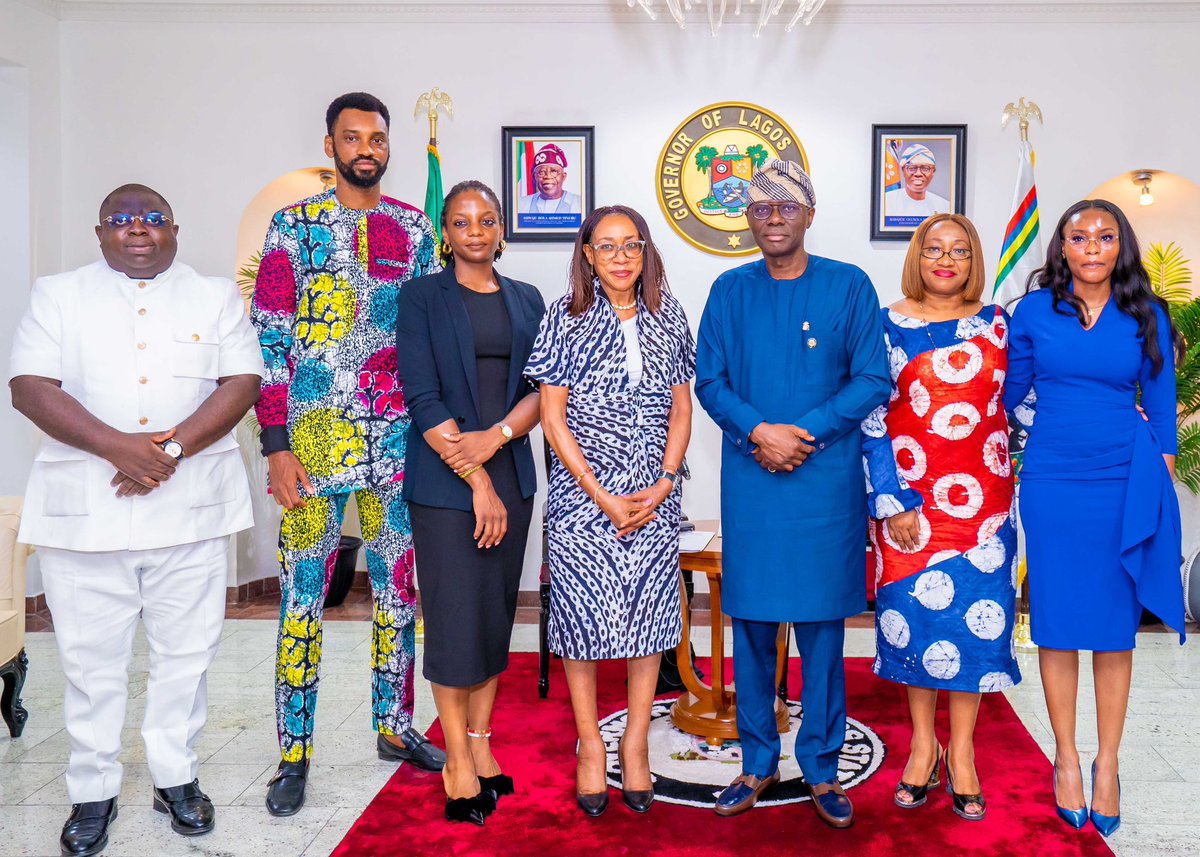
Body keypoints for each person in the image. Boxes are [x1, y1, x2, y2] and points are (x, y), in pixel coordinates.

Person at [8, 184, 264, 856]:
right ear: (100, 234)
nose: (138, 230)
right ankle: (92, 790)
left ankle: (176, 777)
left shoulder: (214, 296)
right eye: (122, 220)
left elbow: (241, 382)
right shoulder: (58, 294)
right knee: (92, 664)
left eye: (152, 218)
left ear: (175, 229)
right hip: (86, 515)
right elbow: (29, 386)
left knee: (187, 655)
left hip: (192, 513)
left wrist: (168, 450)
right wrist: (118, 447)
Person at [250, 91, 446, 817]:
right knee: (303, 596)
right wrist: (275, 446)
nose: (367, 147)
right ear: (329, 143)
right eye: (352, 136)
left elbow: (429, 337)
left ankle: (394, 727)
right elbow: (269, 340)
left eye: (377, 137)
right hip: (312, 441)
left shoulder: (414, 227)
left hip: (396, 443)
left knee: (399, 592)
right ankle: (293, 751)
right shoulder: (292, 227)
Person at [695, 159, 890, 829]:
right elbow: (711, 383)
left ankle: (823, 767)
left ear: (809, 213)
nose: (773, 217)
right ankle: (755, 761)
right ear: (746, 218)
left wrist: (802, 431)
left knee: (822, 634)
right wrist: (759, 432)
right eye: (760, 207)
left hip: (824, 480)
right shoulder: (728, 290)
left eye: (787, 206)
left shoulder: (849, 285)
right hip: (753, 480)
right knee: (749, 623)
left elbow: (871, 379)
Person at [1004, 199, 1185, 837]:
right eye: (1078, 237)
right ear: (1061, 247)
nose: (1092, 247)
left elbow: (1163, 417)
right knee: (1057, 622)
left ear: (1120, 246)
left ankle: (1108, 763)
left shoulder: (1148, 315)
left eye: (1105, 237)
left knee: (1113, 628)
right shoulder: (1031, 312)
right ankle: (1067, 759)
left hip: (1122, 476)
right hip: (1053, 478)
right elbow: (1009, 394)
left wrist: (1155, 485)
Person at [526, 205, 694, 817]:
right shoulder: (563, 316)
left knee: (649, 621)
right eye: (608, 245)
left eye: (632, 244)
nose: (621, 256)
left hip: (655, 494)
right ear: (588, 255)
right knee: (580, 624)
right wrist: (601, 494)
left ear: (646, 252)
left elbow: (682, 410)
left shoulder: (669, 314)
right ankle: (591, 745)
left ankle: (637, 743)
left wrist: (664, 483)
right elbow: (552, 417)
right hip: (582, 497)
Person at [395, 180, 546, 825]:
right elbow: (423, 396)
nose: (475, 231)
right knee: (455, 622)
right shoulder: (422, 297)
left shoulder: (528, 299)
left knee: (492, 618)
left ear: (500, 228)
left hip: (511, 474)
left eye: (486, 220)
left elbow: (546, 388)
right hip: (443, 485)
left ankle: (482, 748)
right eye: (461, 222)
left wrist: (499, 441)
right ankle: (455, 756)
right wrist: (476, 477)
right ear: (445, 232)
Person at [862, 213, 1021, 823]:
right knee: (918, 629)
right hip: (909, 508)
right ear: (918, 256)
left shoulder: (1000, 325)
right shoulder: (884, 325)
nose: (946, 260)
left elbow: (1023, 403)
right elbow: (872, 419)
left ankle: (963, 755)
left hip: (985, 509)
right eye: (934, 249)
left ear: (973, 258)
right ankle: (923, 746)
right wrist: (893, 500)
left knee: (973, 631)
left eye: (959, 250)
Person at [884, 144, 951, 220]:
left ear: (933, 172)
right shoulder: (885, 203)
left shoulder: (945, 207)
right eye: (912, 168)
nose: (918, 173)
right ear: (903, 170)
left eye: (925, 168)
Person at [517, 144, 582, 215]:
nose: (548, 176)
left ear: (563, 176)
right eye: (541, 172)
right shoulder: (520, 205)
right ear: (534, 177)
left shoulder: (580, 204)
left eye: (554, 171)